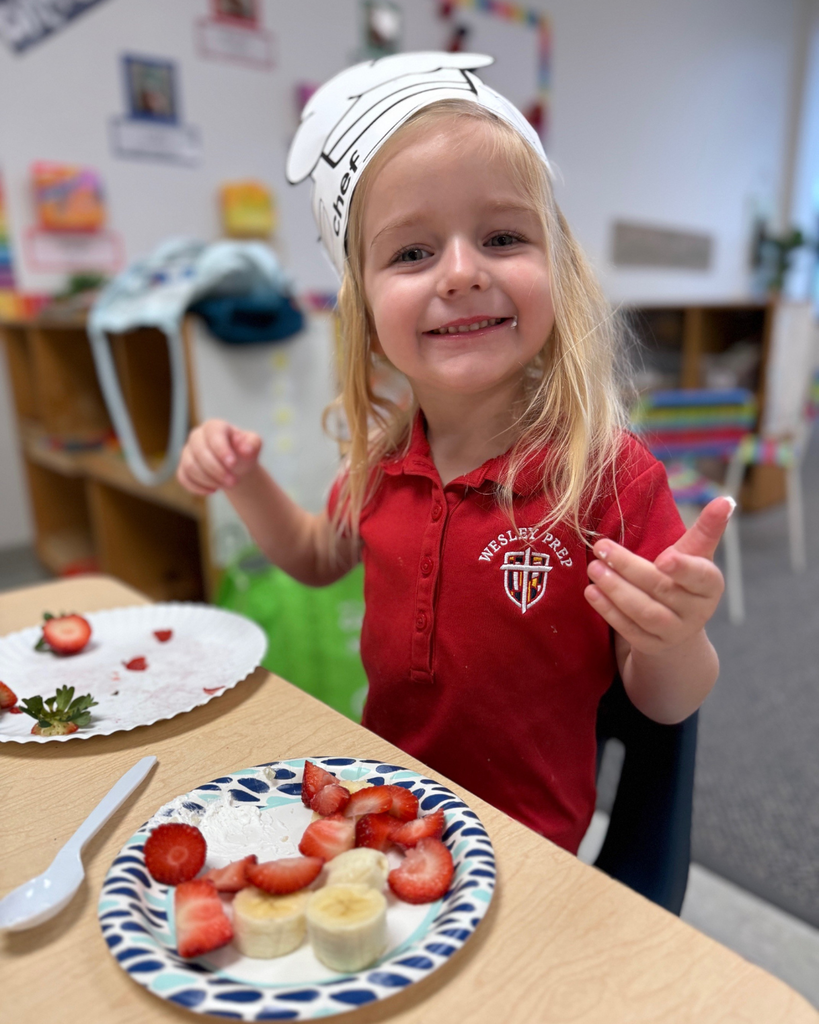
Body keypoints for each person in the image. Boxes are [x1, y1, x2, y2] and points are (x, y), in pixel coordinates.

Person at [177, 53, 730, 854]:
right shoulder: (380, 460)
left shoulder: (608, 479)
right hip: (383, 814)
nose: (463, 273)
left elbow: (667, 704)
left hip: (527, 849)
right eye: (411, 253)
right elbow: (311, 555)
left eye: (502, 236)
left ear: (559, 272)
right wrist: (244, 477)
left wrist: (674, 638)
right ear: (364, 310)